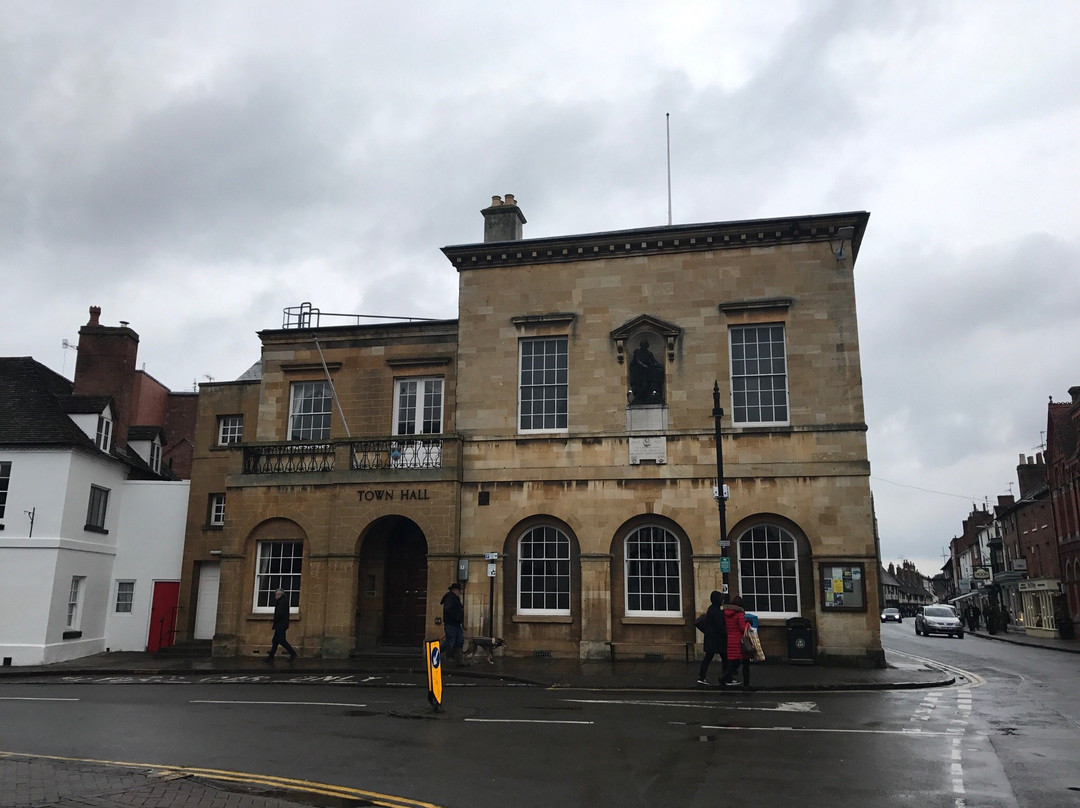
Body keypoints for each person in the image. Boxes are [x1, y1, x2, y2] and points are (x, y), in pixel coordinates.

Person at [696, 590, 728, 686]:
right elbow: (720, 626)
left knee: (709, 658)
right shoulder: (716, 611)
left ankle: (702, 677)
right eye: (721, 599)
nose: (722, 601)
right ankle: (726, 677)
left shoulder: (712, 609)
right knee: (724, 657)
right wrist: (727, 633)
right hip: (716, 639)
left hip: (710, 638)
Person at [721, 595, 750, 686]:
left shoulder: (726, 613)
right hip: (740, 641)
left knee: (735, 663)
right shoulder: (740, 613)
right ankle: (746, 684)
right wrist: (748, 624)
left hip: (731, 639)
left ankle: (724, 678)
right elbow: (742, 628)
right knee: (745, 663)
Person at [265, 588, 297, 661]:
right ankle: (271, 656)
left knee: (281, 640)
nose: (275, 596)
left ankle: (293, 653)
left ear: (279, 594)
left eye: (276, 595)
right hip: (281, 624)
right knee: (275, 641)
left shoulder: (282, 602)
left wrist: (275, 620)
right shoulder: (282, 601)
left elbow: (279, 614)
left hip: (280, 625)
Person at [440, 582, 465, 664]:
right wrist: (456, 618)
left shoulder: (454, 598)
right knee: (450, 641)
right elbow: (449, 610)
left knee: (459, 641)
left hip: (456, 624)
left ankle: (459, 660)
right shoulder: (450, 598)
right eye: (459, 590)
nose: (460, 592)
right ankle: (439, 653)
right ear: (455, 590)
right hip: (451, 624)